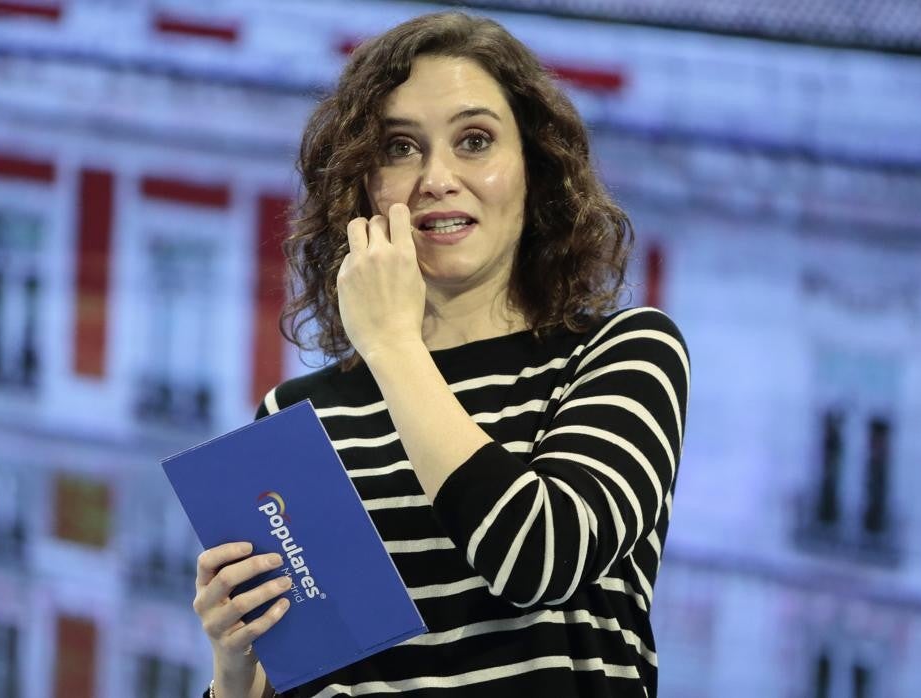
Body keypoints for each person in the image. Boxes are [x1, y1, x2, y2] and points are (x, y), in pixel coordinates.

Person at [191, 11, 690, 698]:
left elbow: (537, 557)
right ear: (364, 185)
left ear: (534, 171)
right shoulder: (298, 414)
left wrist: (394, 345)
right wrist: (233, 665)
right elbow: (306, 673)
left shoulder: (621, 351)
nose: (436, 178)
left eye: (475, 141)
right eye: (399, 149)